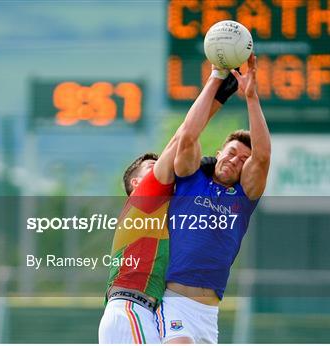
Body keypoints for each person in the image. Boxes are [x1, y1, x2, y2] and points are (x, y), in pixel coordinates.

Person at [98, 66, 239, 344]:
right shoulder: (144, 200)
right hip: (131, 308)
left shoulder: (164, 214)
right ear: (136, 185)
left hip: (141, 311)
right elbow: (182, 137)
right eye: (150, 168)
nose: (158, 170)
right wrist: (215, 86)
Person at [158, 54, 271, 344]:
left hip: (209, 314)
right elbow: (187, 135)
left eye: (242, 159)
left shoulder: (243, 198)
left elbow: (262, 156)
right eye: (232, 152)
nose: (236, 160)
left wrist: (251, 97)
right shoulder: (191, 179)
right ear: (219, 152)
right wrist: (215, 78)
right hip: (175, 302)